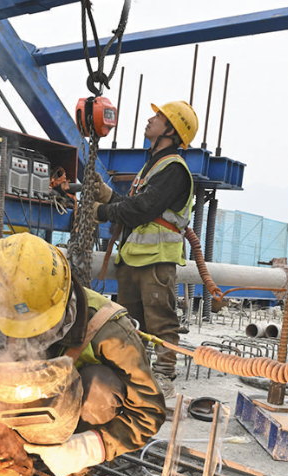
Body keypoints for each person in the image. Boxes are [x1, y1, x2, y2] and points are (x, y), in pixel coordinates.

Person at [0, 233, 166, 476]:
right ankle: (4, 459)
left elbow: (149, 412)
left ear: (64, 293)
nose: (33, 336)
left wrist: (89, 447)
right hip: (7, 416)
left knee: (102, 390)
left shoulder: (110, 331)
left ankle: (73, 472)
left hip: (73, 419)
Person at [91, 100, 199, 402]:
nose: (150, 120)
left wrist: (101, 213)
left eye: (159, 117)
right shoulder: (150, 168)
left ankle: (163, 381)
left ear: (172, 131)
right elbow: (131, 204)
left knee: (161, 324)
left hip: (156, 262)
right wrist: (102, 192)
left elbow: (141, 209)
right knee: (130, 325)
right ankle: (133, 380)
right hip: (132, 261)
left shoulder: (173, 169)